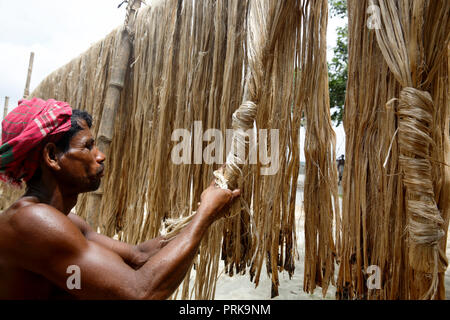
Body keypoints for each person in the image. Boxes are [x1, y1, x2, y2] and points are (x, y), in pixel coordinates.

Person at [0, 98, 240, 299]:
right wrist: (204, 217)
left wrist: (203, 214)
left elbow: (139, 256)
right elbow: (140, 291)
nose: (100, 155)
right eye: (88, 147)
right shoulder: (32, 221)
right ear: (52, 156)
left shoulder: (67, 222)